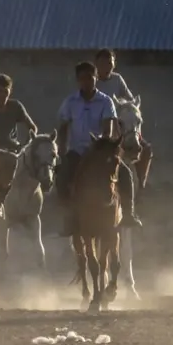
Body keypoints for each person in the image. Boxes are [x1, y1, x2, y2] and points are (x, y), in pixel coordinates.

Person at [56, 61, 142, 236]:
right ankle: (69, 217)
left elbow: (108, 128)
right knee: (62, 176)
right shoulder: (70, 102)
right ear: (78, 80)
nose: (87, 81)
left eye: (90, 77)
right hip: (78, 151)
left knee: (125, 173)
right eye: (83, 78)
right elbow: (63, 127)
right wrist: (61, 151)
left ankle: (128, 213)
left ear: (96, 78)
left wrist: (101, 145)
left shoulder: (106, 101)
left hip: (100, 151)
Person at [0, 74, 37, 218]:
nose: (3, 95)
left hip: (11, 150)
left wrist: (28, 144)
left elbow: (32, 127)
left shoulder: (15, 106)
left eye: (6, 92)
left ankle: (1, 203)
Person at [95, 48, 153, 190]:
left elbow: (129, 99)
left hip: (121, 124)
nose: (107, 67)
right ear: (97, 64)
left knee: (146, 149)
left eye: (110, 63)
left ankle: (141, 182)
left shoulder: (117, 79)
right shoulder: (93, 81)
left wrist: (130, 107)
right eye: (103, 63)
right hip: (100, 124)